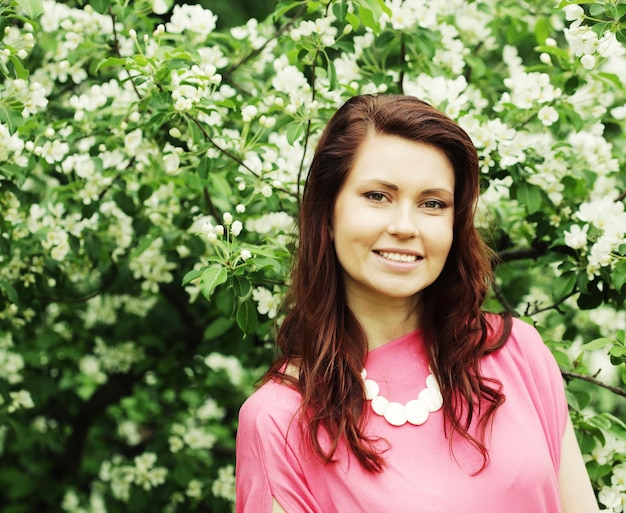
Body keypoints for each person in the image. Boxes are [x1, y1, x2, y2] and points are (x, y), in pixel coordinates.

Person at [235, 94, 599, 513]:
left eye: (432, 204)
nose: (405, 227)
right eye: (377, 196)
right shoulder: (281, 419)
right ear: (327, 213)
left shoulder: (517, 352)